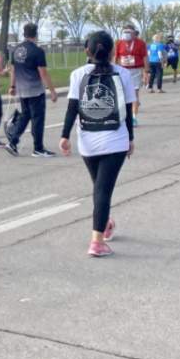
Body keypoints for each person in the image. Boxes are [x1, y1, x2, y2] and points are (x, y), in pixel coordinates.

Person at [59, 30, 135, 257]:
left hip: (88, 141)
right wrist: (130, 138)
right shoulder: (123, 74)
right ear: (113, 51)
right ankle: (97, 242)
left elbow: (72, 107)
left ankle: (105, 223)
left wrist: (65, 135)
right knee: (102, 190)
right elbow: (128, 111)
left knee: (99, 187)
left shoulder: (77, 74)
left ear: (87, 51)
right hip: (115, 139)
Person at [5, 22, 59, 157]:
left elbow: (13, 70)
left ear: (24, 33)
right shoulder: (37, 51)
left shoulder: (16, 50)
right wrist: (52, 91)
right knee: (38, 119)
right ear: (36, 34)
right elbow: (43, 73)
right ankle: (38, 148)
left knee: (25, 116)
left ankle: (13, 141)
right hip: (35, 90)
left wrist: (12, 86)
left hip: (22, 90)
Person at [114, 23, 147, 123]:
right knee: (122, 94)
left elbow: (145, 57)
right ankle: (123, 115)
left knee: (134, 94)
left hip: (136, 70)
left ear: (133, 33)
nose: (126, 34)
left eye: (128, 32)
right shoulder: (119, 43)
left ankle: (133, 117)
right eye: (124, 32)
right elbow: (116, 57)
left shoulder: (140, 43)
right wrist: (113, 70)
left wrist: (146, 72)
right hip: (123, 70)